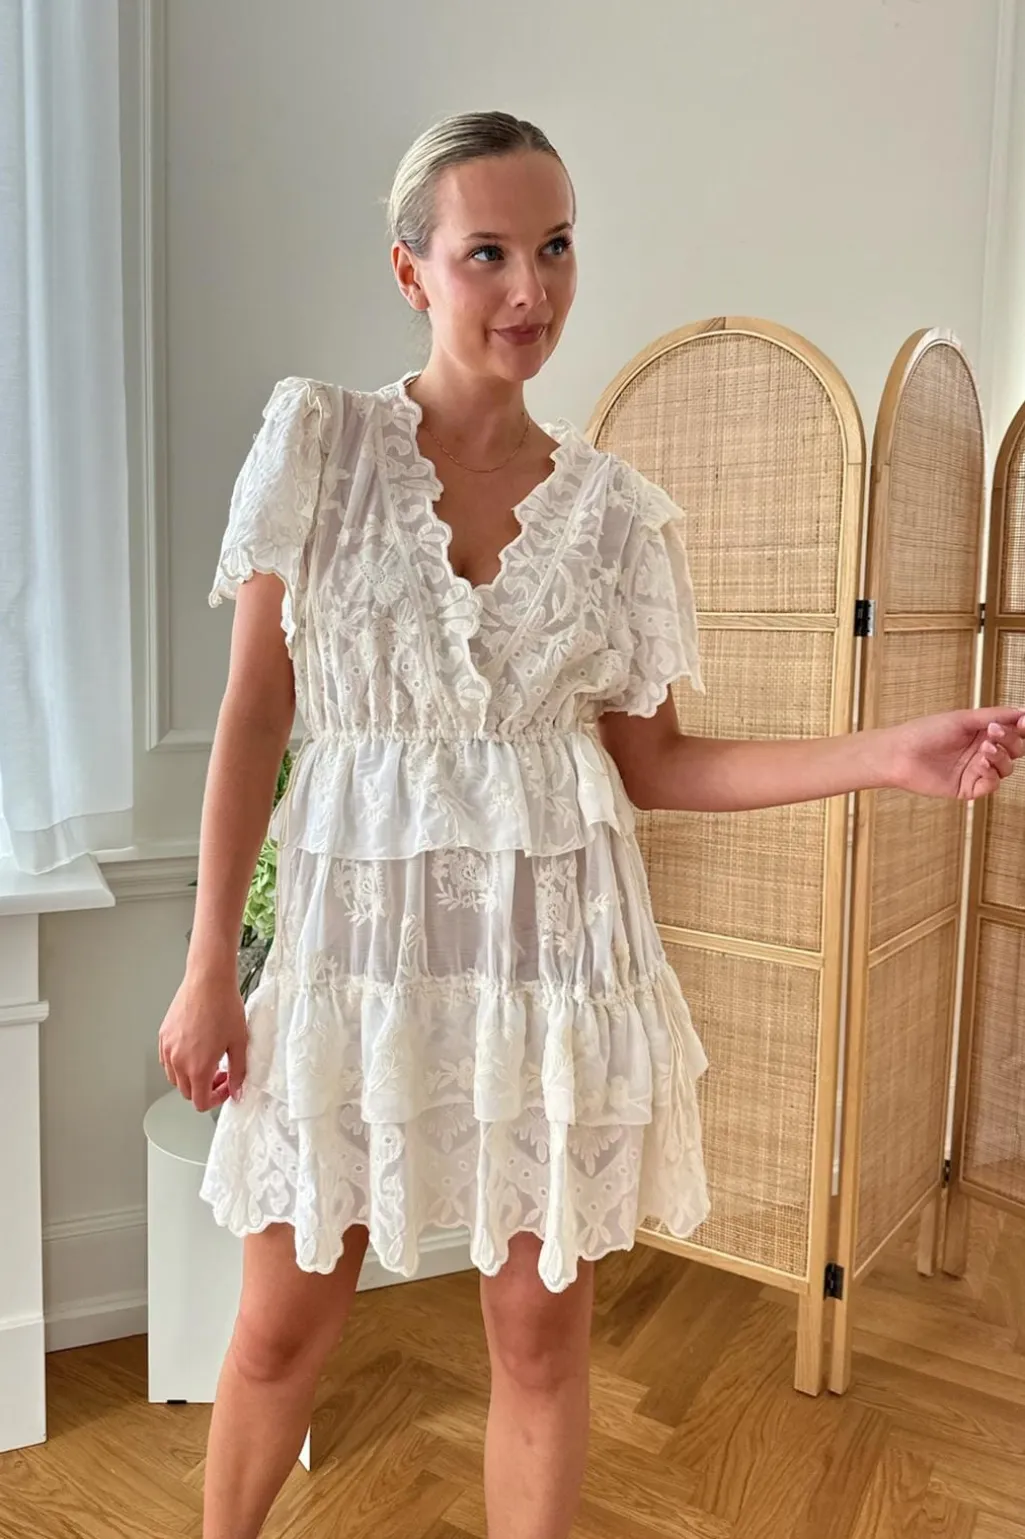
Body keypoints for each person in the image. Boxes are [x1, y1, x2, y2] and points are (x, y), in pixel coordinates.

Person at [157, 109, 1025, 1539]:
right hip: (352, 966)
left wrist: (891, 754)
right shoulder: (320, 442)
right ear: (410, 271)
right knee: (276, 1329)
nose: (531, 289)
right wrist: (210, 964)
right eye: (488, 252)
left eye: (556, 247)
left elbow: (658, 764)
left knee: (540, 1340)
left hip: (552, 974)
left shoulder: (616, 514)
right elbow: (257, 715)